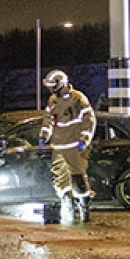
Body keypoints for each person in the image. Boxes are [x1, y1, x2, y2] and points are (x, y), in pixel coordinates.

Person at [39, 70, 96, 224]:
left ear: (61, 83)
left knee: (78, 178)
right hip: (58, 146)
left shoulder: (78, 98)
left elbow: (89, 120)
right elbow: (48, 120)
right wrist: (44, 136)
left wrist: (85, 139)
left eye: (53, 86)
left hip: (73, 145)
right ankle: (68, 205)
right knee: (60, 179)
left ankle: (84, 207)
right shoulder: (53, 100)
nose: (51, 90)